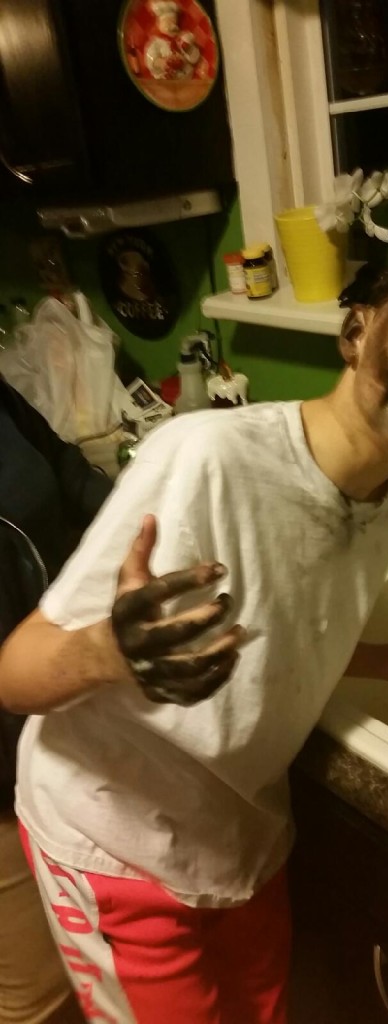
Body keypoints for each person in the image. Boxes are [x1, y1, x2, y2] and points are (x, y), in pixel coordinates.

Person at [0, 241, 388, 1024]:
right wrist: (106, 652)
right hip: (116, 840)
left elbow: (281, 628)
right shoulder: (205, 458)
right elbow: (15, 672)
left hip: (242, 838)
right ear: (358, 330)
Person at [0, 375, 112, 1024]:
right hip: (2, 774)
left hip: (59, 721)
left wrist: (157, 513)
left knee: (88, 963)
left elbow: (67, 473)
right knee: (39, 992)